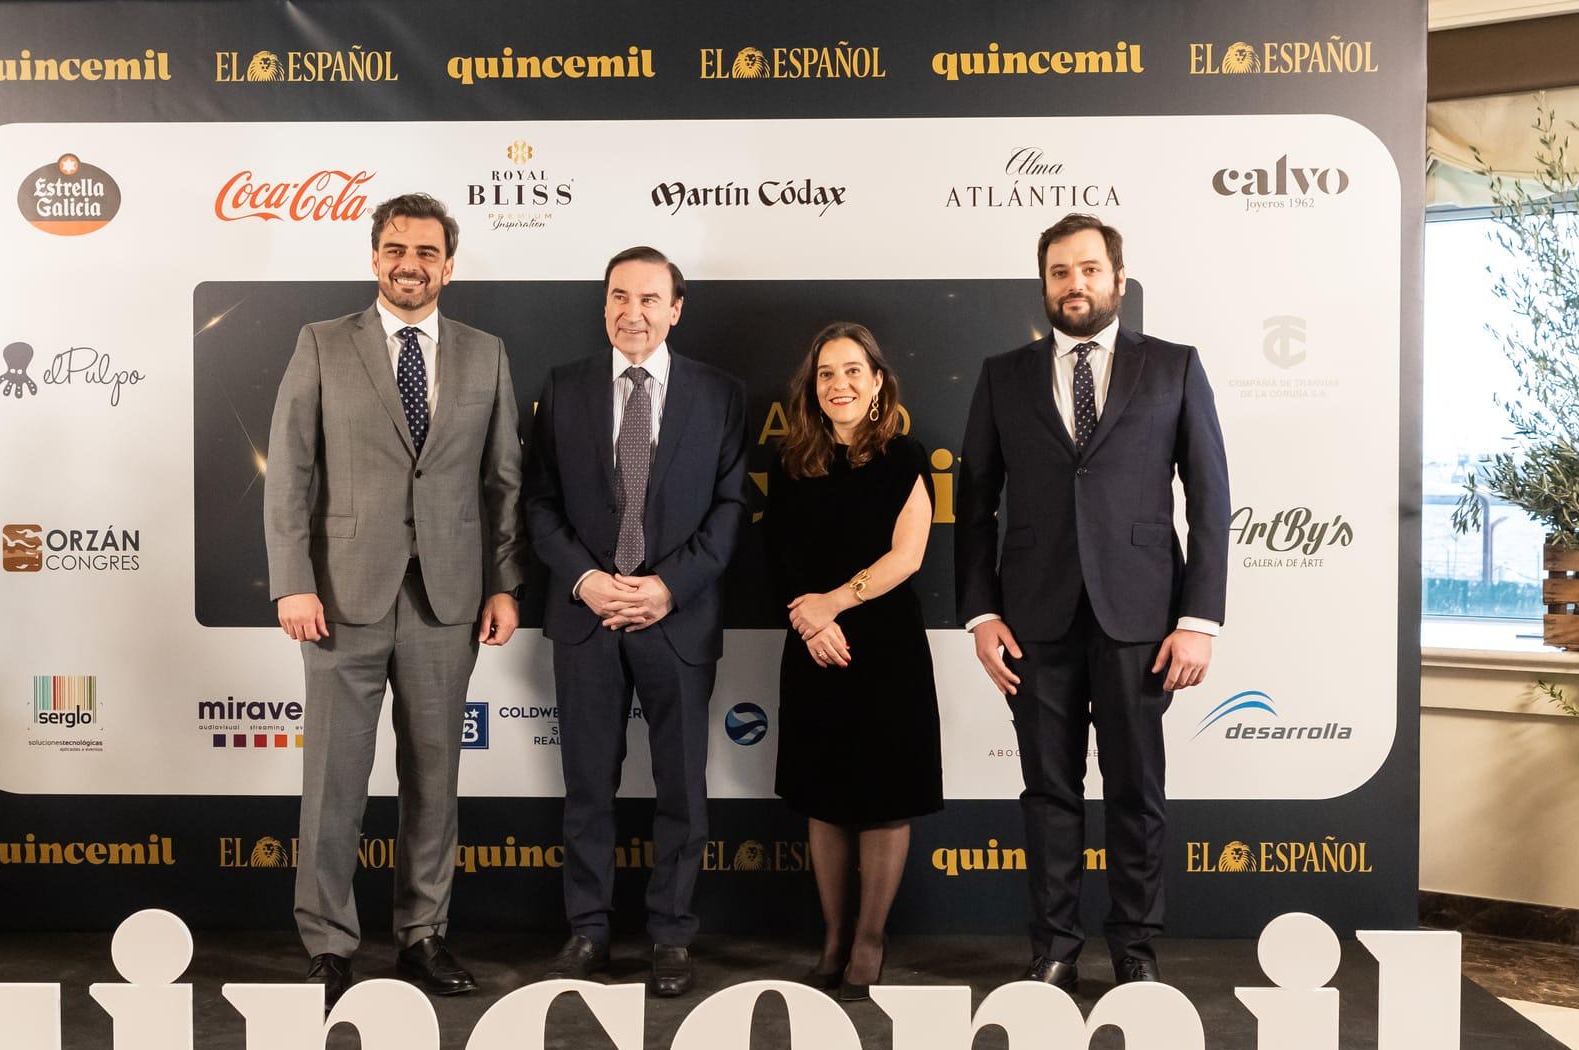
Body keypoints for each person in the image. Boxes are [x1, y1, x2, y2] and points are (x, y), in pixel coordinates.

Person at [955, 213, 1230, 992]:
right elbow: (973, 503)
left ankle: (1136, 948)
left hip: (1143, 620)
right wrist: (980, 615)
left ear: (1117, 278)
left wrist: (1198, 620)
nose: (1074, 285)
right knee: (1049, 793)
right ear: (1044, 285)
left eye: (1088, 270)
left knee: (1137, 791)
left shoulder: (1174, 368)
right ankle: (1053, 947)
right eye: (1058, 273)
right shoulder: (1003, 374)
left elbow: (1210, 497)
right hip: (1032, 621)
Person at [263, 192, 525, 1008]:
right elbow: (291, 473)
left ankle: (423, 936)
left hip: (449, 600)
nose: (410, 264)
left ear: (450, 263)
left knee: (435, 779)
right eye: (395, 249)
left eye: (427, 251)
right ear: (374, 257)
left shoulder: (486, 354)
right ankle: (330, 945)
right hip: (341, 597)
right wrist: (292, 580)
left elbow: (504, 484)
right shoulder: (320, 344)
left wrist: (505, 585)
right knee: (334, 781)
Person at [524, 246, 748, 996]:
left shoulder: (721, 394)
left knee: (681, 788)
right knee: (588, 786)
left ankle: (672, 939)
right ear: (605, 304)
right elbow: (539, 505)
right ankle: (588, 930)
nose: (634, 312)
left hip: (675, 620)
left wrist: (665, 588)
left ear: (676, 309)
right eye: (620, 296)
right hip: (586, 616)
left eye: (651, 299)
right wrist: (588, 581)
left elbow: (728, 511)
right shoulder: (563, 389)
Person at [762, 322, 942, 1001]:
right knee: (824, 797)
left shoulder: (904, 457)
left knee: (884, 799)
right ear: (813, 389)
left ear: (876, 385)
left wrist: (834, 604)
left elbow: (908, 555)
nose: (838, 384)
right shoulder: (789, 462)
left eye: (852, 372)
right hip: (813, 645)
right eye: (826, 374)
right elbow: (777, 560)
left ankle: (869, 940)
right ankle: (833, 937)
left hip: (884, 645)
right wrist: (811, 625)